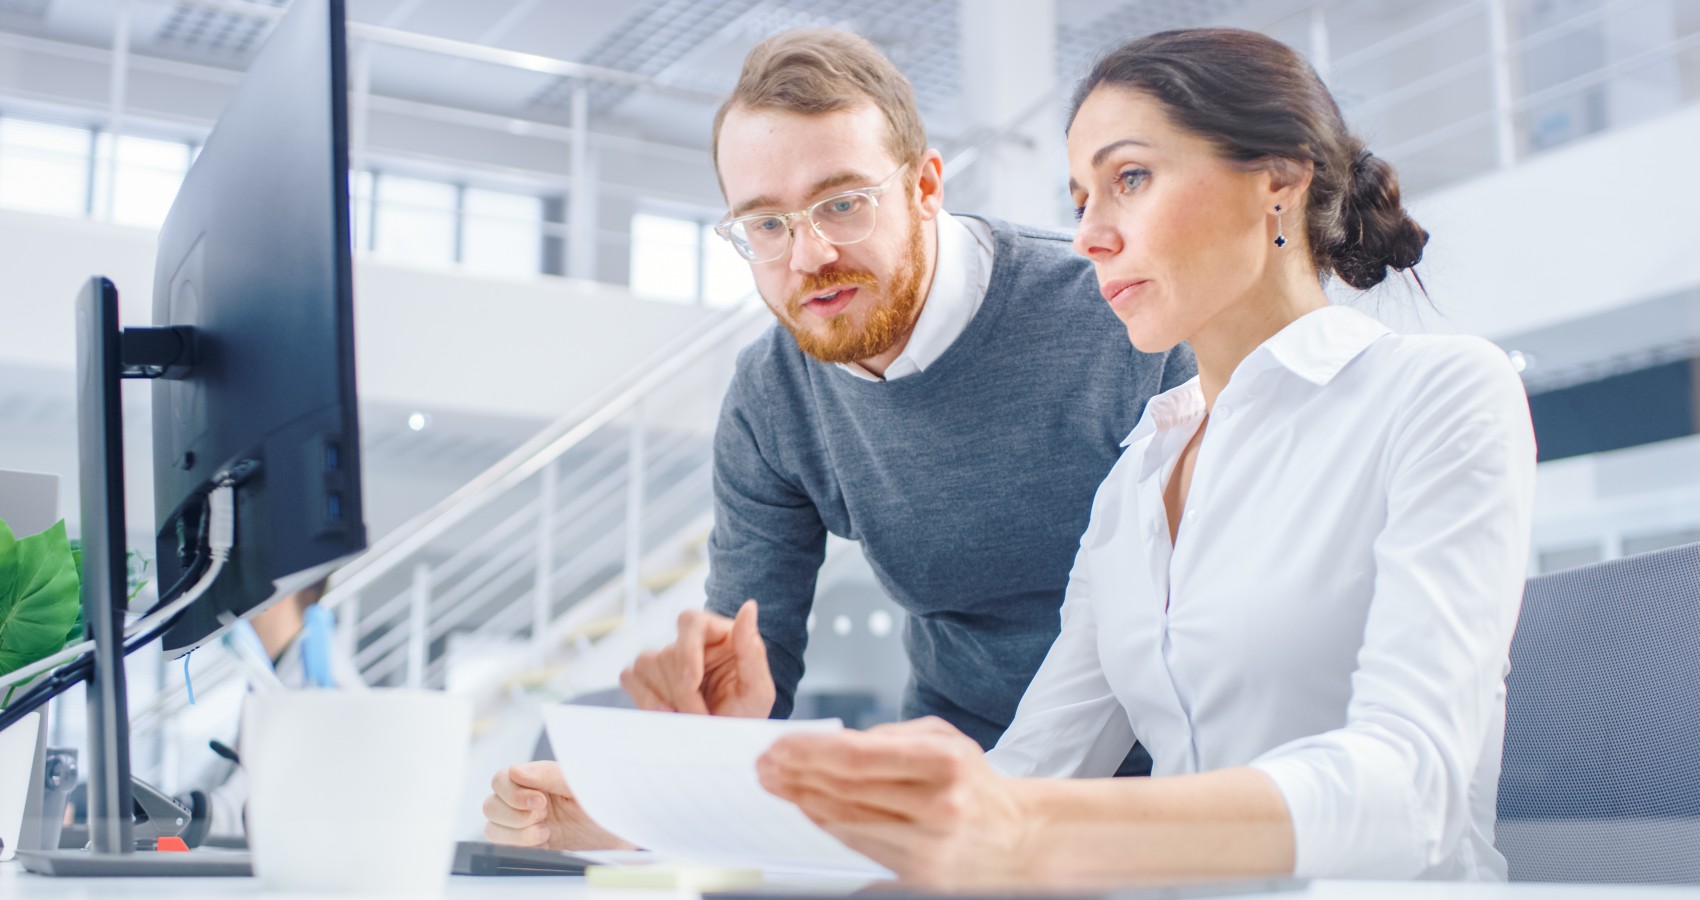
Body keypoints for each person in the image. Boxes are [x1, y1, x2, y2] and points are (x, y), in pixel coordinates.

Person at [755, 28, 1536, 886]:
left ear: (1278, 179)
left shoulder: (1439, 393)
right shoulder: (1140, 473)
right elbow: (1031, 772)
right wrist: (616, 812)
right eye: (1080, 197)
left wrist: (1025, 826)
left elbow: (1412, 791)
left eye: (1129, 178)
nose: (1089, 234)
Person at [482, 29, 1194, 850]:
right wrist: (685, 754)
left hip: (1176, 800)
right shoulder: (772, 397)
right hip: (945, 790)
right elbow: (755, 667)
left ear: (926, 184)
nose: (808, 255)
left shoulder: (1121, 317)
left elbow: (1202, 638)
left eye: (842, 203)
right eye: (766, 225)